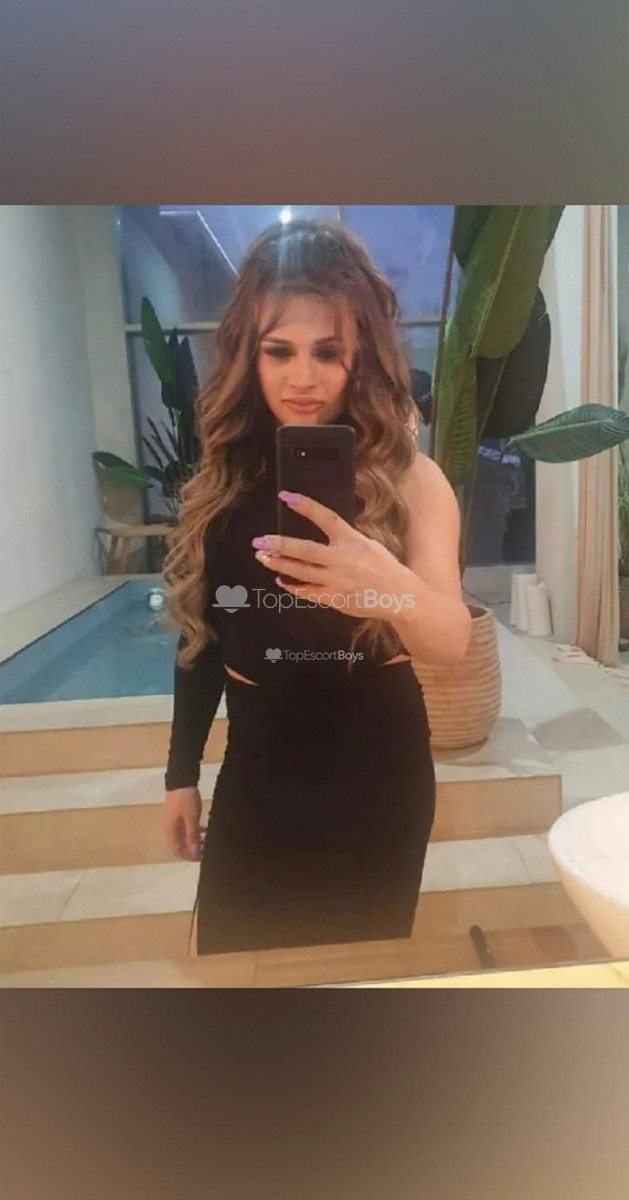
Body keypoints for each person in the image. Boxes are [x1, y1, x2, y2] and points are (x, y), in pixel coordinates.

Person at [161, 218, 472, 957]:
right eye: (280, 351)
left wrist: (384, 584)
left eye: (327, 353)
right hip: (258, 769)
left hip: (375, 775)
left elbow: (451, 642)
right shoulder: (222, 481)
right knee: (237, 971)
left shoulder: (411, 480)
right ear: (249, 354)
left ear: (360, 358)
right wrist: (180, 774)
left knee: (355, 978)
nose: (302, 378)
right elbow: (204, 636)